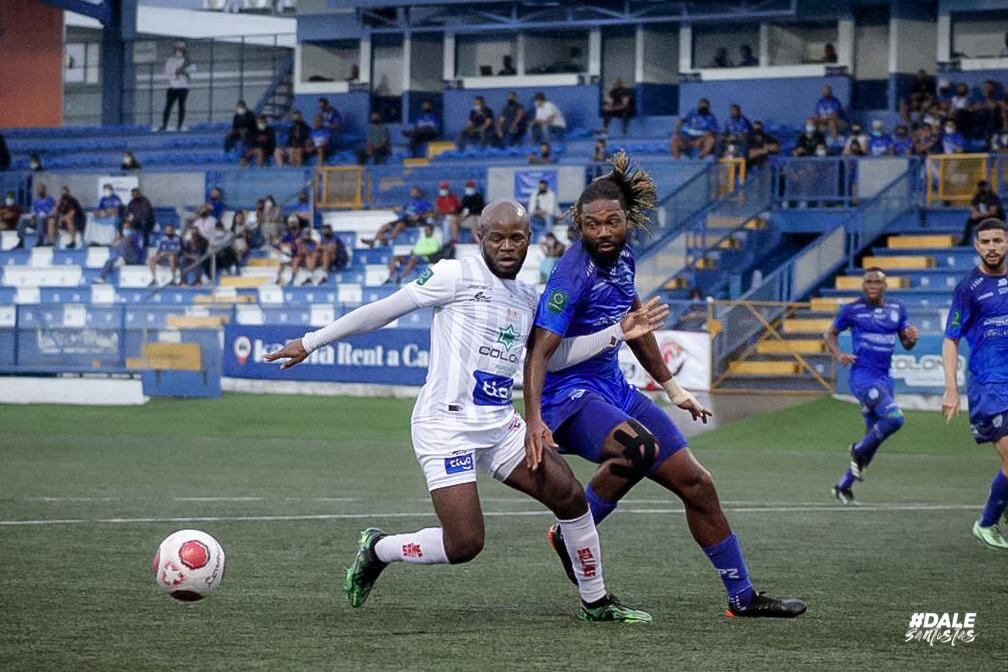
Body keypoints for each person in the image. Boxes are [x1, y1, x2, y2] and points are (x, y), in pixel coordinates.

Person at [264, 199, 659, 623]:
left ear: (528, 241)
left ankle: (596, 602)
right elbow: (381, 312)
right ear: (479, 237)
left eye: (516, 238)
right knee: (465, 543)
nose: (507, 246)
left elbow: (553, 356)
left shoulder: (530, 297)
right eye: (497, 238)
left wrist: (617, 332)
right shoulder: (454, 275)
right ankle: (378, 549)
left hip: (499, 424)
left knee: (571, 496)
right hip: (445, 426)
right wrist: (311, 341)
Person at [522, 151, 808, 618]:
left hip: (614, 388)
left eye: (611, 222)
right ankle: (573, 531)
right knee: (637, 450)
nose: (603, 232)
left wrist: (673, 389)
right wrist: (533, 419)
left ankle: (743, 598)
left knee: (698, 484)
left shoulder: (625, 259)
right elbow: (540, 354)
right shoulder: (571, 274)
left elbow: (636, 327)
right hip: (568, 397)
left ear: (627, 219)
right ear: (580, 225)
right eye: (592, 225)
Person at [823, 268, 918, 505]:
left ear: (885, 285)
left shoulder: (897, 308)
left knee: (872, 441)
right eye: (868, 282)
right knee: (895, 418)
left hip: (885, 379)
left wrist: (912, 339)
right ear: (863, 285)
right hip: (863, 377)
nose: (873, 285)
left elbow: (906, 343)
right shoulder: (852, 309)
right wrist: (839, 354)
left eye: (877, 282)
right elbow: (829, 334)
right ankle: (856, 450)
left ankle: (843, 486)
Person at [942, 218, 1008, 549]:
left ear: (1007, 242)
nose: (992, 247)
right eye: (986, 242)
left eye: (998, 240)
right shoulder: (968, 289)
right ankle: (986, 524)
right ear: (976, 246)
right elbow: (950, 339)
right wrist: (951, 388)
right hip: (989, 384)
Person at [366, 186, 432, 247]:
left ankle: (389, 239)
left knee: (399, 225)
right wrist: (391, 208)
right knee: (385, 226)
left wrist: (419, 216)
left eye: (414, 192)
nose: (412, 193)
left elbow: (431, 213)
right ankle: (373, 241)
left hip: (413, 221)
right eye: (411, 191)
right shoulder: (411, 202)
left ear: (418, 193)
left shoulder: (424, 203)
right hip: (404, 219)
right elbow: (403, 208)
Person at [159, 41, 195, 132]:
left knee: (181, 107)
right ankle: (164, 125)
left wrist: (183, 71)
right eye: (177, 48)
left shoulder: (188, 61)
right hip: (172, 86)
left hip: (183, 87)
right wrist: (174, 74)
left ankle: (179, 126)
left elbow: (192, 71)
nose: (178, 50)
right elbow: (167, 72)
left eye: (181, 49)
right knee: (168, 106)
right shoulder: (170, 60)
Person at [16, 183, 56, 248]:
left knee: (40, 218)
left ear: (45, 190)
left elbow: (53, 211)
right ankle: (21, 240)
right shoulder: (35, 200)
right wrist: (32, 218)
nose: (39, 190)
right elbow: (33, 212)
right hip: (36, 220)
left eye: (41, 189)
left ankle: (40, 240)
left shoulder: (50, 199)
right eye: (38, 189)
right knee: (23, 218)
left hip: (46, 220)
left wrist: (46, 215)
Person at [454, 179, 485, 243]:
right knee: (454, 220)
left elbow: (478, 209)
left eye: (471, 187)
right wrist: (458, 212)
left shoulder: (478, 196)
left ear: (474, 188)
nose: (469, 189)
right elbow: (462, 208)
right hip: (466, 217)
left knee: (472, 218)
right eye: (468, 187)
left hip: (478, 217)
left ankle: (477, 239)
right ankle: (455, 239)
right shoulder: (465, 197)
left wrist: (467, 213)